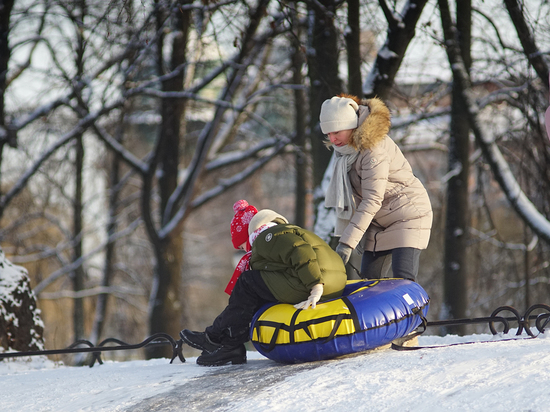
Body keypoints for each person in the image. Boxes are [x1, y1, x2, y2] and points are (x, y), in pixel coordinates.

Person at [180, 202, 348, 366]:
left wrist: (316, 286)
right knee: (255, 286)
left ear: (249, 236)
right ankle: (220, 340)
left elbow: (300, 250)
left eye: (242, 245)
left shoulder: (266, 237)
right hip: (335, 283)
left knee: (247, 282)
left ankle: (224, 343)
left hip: (316, 284)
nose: (245, 251)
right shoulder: (285, 231)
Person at [320, 94, 432, 282]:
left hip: (408, 216)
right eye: (328, 133)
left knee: (403, 282)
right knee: (369, 284)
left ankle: (414, 313)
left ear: (350, 125)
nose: (332, 139)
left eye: (336, 132)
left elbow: (372, 199)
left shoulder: (373, 149)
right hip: (379, 221)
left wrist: (347, 243)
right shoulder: (345, 152)